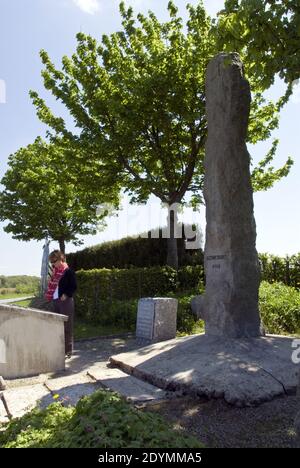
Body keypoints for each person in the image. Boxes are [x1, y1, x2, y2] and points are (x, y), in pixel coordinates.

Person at [45, 250, 77, 357]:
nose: (53, 263)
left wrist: (66, 294)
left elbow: (73, 286)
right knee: (56, 326)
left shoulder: (68, 271)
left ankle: (68, 350)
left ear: (60, 259)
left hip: (65, 301)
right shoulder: (54, 272)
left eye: (54, 261)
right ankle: (58, 349)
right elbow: (53, 286)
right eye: (51, 262)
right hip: (55, 301)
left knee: (66, 326)